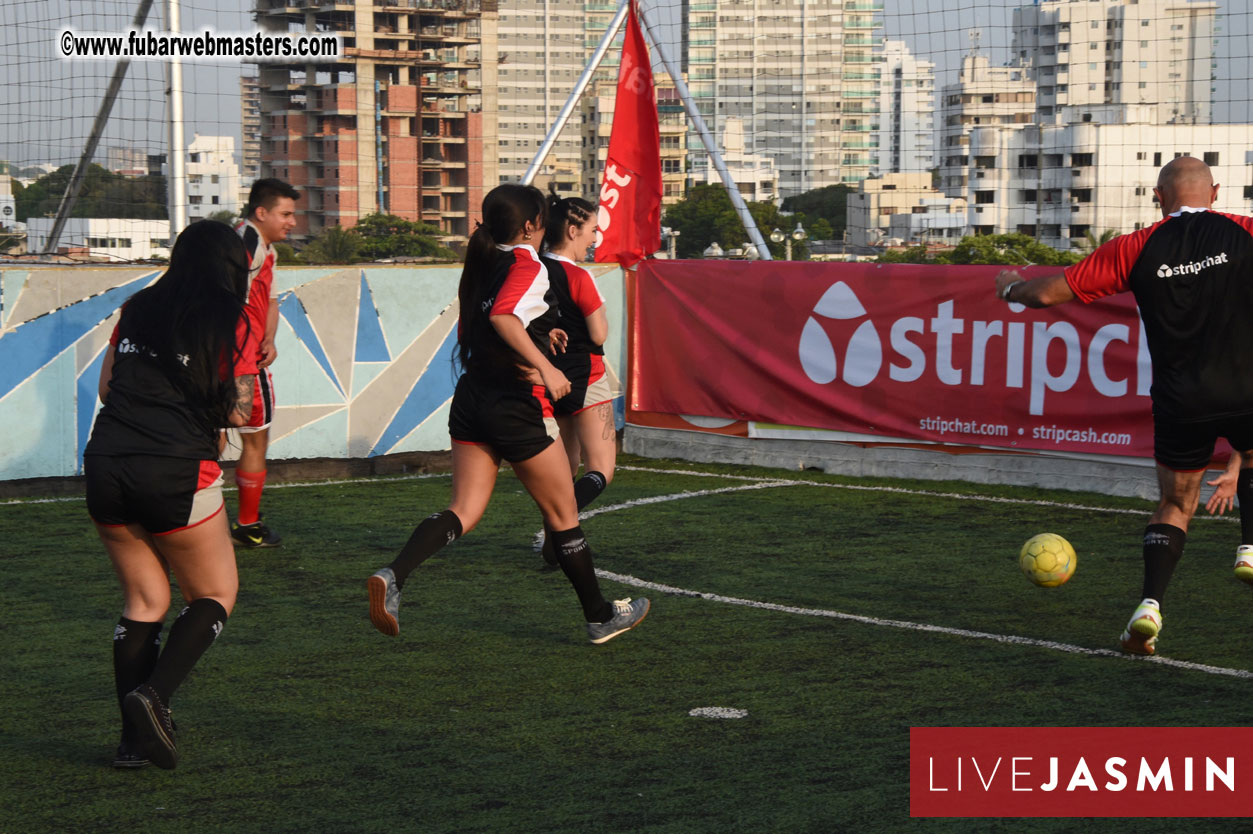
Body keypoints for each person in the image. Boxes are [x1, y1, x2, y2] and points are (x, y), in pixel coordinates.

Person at [366, 184, 649, 645]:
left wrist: (543, 333)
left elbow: (484, 326)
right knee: (563, 518)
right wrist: (545, 367)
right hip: (516, 408)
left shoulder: (483, 260)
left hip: (472, 399)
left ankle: (393, 575)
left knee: (464, 510)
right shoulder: (525, 261)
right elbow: (502, 316)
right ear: (533, 225)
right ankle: (600, 616)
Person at [994, 156, 1253, 656]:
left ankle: (1149, 608)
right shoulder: (1245, 232)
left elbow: (1048, 294)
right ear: (1215, 193)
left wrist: (1008, 287)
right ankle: (1248, 547)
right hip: (1247, 390)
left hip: (1181, 400)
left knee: (1176, 504)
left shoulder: (1135, 247)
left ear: (1159, 199)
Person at [85, 221, 257, 769]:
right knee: (213, 595)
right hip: (175, 466)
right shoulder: (235, 317)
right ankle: (154, 697)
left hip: (106, 461)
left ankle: (131, 744)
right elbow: (239, 411)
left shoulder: (137, 306)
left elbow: (108, 388)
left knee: (144, 603)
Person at [535, 195, 621, 566]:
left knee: (564, 466)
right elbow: (598, 334)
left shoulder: (533, 268)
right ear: (572, 230)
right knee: (601, 468)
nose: (595, 239)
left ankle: (559, 548)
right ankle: (557, 535)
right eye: (591, 231)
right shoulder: (578, 275)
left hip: (544, 372)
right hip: (585, 373)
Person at [229, 178, 299, 548]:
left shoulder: (264, 248)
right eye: (285, 214)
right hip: (241, 365)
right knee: (254, 440)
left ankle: (190, 517)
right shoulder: (247, 242)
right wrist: (242, 353)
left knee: (214, 438)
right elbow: (231, 303)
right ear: (261, 212)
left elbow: (267, 301)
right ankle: (246, 525)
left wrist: (269, 338)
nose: (292, 222)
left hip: (243, 356)